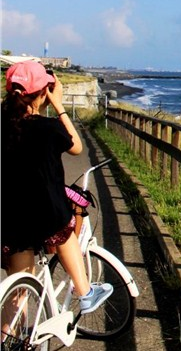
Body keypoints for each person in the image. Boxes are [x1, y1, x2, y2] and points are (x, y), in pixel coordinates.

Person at [1, 61, 112, 314]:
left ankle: (8, 340)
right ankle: (85, 293)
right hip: (45, 216)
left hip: (8, 220)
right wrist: (59, 104)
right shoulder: (47, 128)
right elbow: (77, 148)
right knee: (65, 230)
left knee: (18, 293)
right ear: (43, 94)